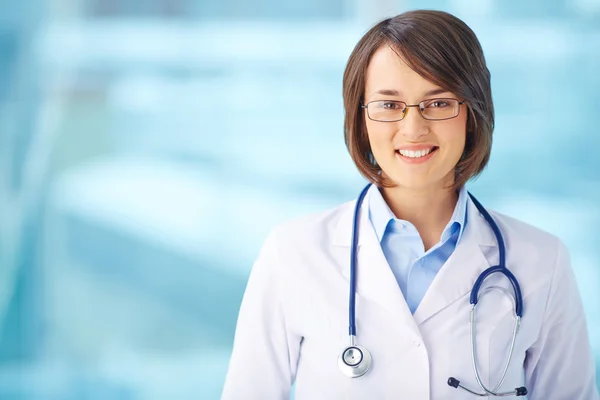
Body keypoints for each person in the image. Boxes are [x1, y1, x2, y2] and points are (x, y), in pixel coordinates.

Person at [221, 9, 599, 400]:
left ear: (472, 112)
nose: (413, 128)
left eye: (438, 103)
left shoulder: (541, 262)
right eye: (389, 105)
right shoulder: (292, 253)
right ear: (361, 118)